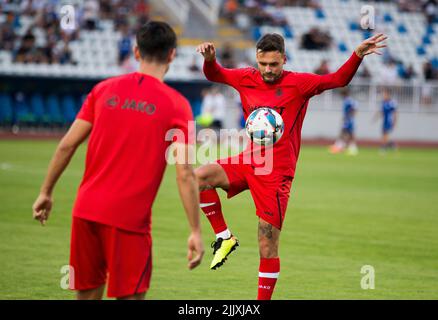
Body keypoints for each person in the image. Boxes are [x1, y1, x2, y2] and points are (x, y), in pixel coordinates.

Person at [196, 32, 387, 300]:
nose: (268, 70)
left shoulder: (299, 84)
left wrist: (356, 55)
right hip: (250, 160)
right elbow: (215, 74)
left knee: (266, 244)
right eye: (263, 64)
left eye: (274, 64)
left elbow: (338, 79)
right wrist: (210, 59)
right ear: (257, 60)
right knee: (199, 177)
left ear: (284, 60)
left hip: (277, 174)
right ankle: (224, 237)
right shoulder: (245, 78)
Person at [32, 21, 204, 300]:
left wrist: (45, 192)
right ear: (172, 55)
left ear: (136, 52)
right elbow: (184, 173)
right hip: (128, 221)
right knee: (131, 296)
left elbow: (67, 145)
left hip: (85, 211)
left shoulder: (103, 90)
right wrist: (195, 230)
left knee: (86, 295)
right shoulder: (178, 106)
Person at [329, 88, 359, 155]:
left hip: (348, 120)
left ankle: (339, 146)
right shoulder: (347, 100)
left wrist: (349, 117)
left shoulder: (348, 101)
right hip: (348, 119)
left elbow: (354, 108)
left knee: (345, 132)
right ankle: (351, 147)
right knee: (348, 133)